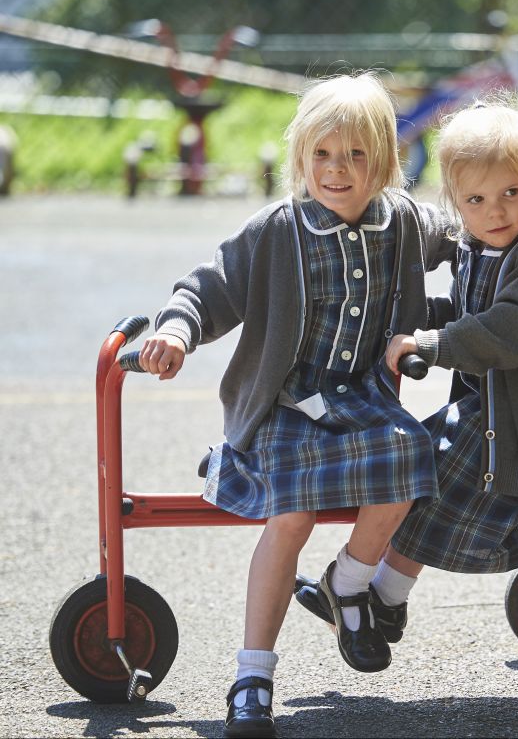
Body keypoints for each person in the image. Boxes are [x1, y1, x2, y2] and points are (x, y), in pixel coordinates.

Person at [138, 73, 455, 738]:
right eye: (323, 155)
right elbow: (211, 284)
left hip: (362, 398)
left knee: (411, 454)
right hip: (285, 400)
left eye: (356, 156)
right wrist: (175, 328)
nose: (338, 171)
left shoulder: (400, 220)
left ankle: (348, 581)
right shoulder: (278, 229)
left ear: (386, 163)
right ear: (301, 159)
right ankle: (253, 675)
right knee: (292, 515)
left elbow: (471, 230)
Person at [293, 100, 518, 635]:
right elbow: (470, 313)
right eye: (477, 199)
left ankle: (358, 584)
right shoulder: (476, 245)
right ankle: (382, 595)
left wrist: (432, 342)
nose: (496, 211)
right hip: (494, 407)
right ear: (455, 202)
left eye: (511, 194)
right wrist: (409, 320)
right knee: (417, 468)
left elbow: (511, 330)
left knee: (429, 473)